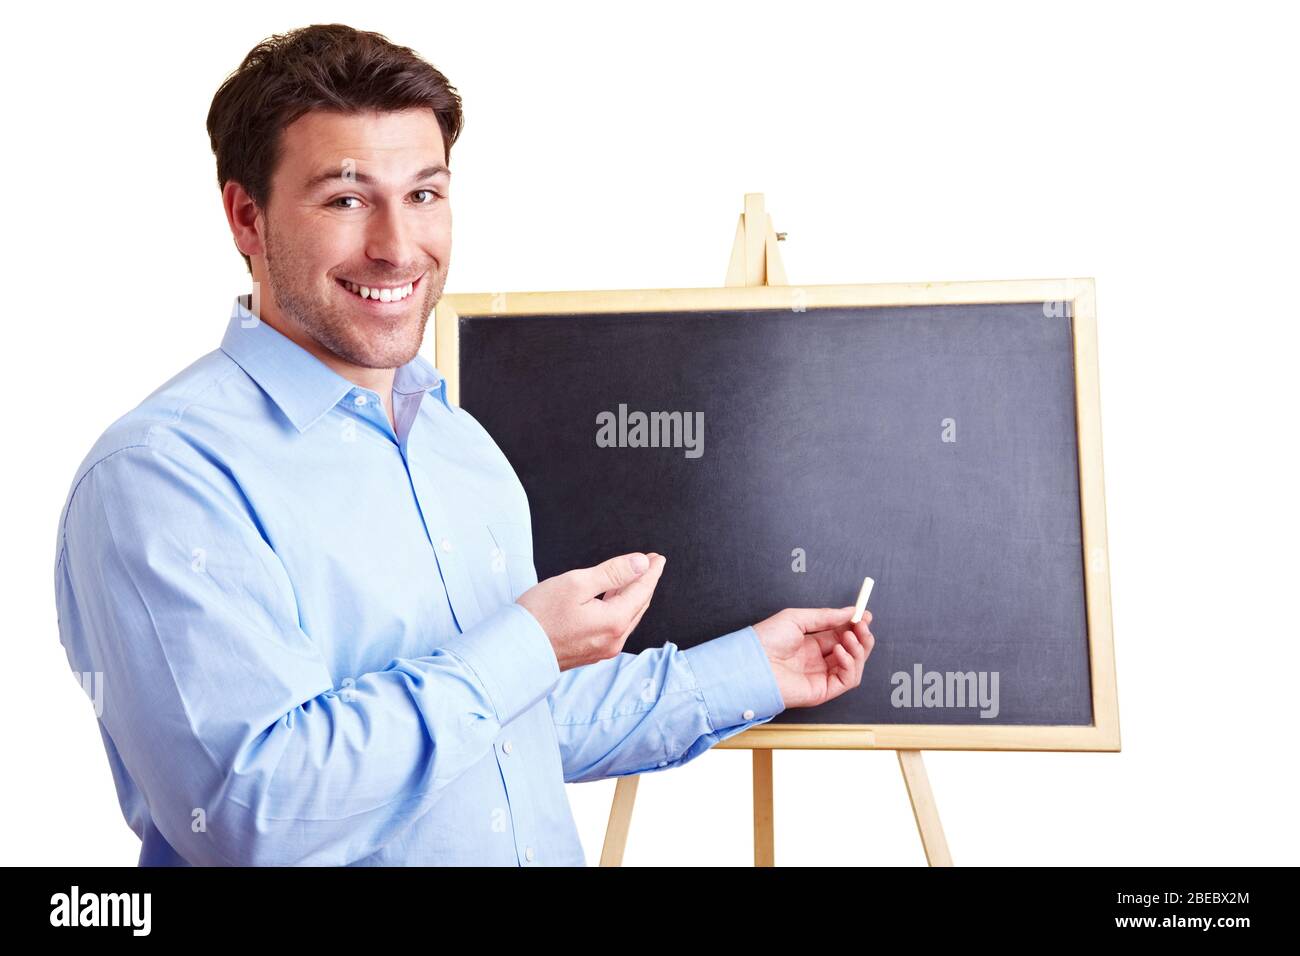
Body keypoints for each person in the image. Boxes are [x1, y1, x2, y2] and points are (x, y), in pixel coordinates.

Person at [53, 23, 875, 867]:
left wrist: (754, 671)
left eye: (424, 194)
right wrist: (523, 645)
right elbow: (254, 810)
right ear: (246, 218)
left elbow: (517, 726)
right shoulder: (164, 474)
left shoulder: (459, 446)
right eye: (345, 199)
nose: (398, 246)